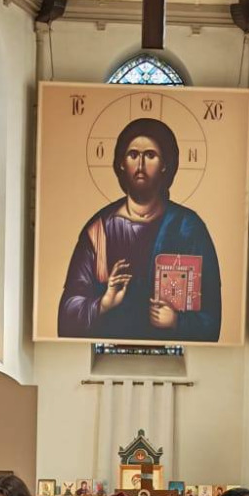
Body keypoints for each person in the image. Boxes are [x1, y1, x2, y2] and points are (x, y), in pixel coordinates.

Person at [57, 116, 221, 341]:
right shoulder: (99, 230)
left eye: (150, 155)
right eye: (133, 155)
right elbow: (68, 313)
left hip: (170, 352)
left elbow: (212, 317)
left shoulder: (188, 228)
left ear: (165, 165)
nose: (141, 165)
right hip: (110, 349)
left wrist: (177, 322)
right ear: (121, 163)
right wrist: (104, 303)